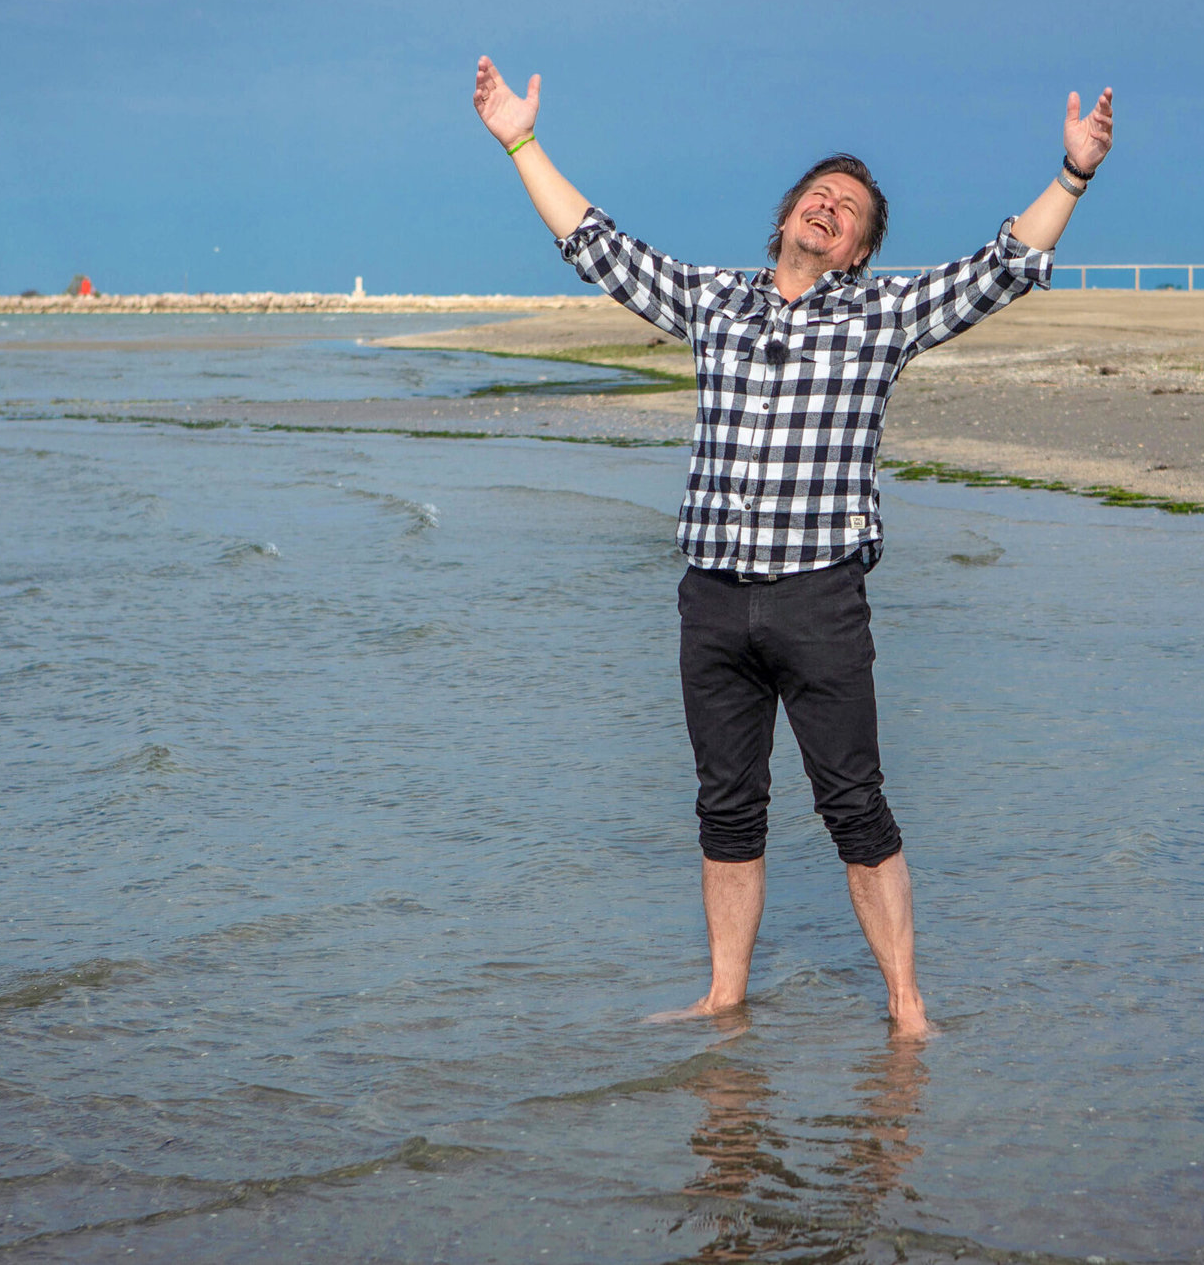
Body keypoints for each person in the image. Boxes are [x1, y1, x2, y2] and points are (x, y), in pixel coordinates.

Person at [473, 55, 1114, 1037]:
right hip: (715, 600)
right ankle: (725, 997)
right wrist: (520, 140)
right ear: (784, 218)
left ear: (858, 251)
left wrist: (1071, 175)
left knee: (855, 806)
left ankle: (906, 1010)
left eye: (848, 209)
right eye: (817, 195)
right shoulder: (713, 299)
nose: (829, 206)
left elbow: (1003, 268)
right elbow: (595, 245)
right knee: (726, 809)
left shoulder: (881, 314)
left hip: (820, 601)